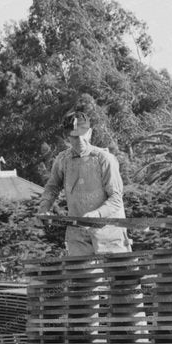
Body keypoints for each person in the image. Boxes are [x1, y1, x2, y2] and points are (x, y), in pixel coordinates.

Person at [37, 110, 131, 257]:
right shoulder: (62, 160)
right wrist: (44, 206)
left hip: (109, 231)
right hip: (78, 232)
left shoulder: (104, 159)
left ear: (90, 133)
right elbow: (52, 186)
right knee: (82, 277)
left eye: (83, 135)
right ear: (67, 137)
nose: (79, 141)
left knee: (121, 278)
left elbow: (116, 199)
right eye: (74, 137)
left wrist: (96, 214)